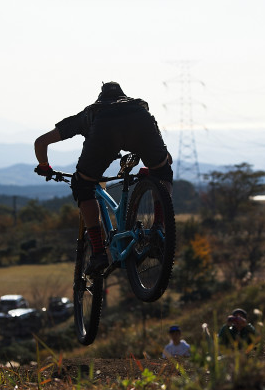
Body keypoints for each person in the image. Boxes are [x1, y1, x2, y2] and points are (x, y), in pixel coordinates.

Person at [34, 81, 173, 275]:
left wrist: (45, 167)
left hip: (103, 129)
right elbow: (168, 159)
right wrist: (156, 164)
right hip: (141, 125)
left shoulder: (91, 113)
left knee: (83, 186)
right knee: (163, 173)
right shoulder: (140, 109)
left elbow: (40, 142)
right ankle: (159, 227)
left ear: (100, 98)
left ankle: (99, 252)